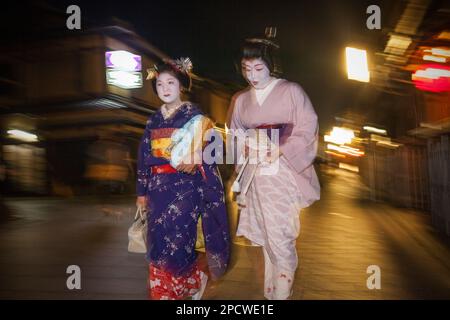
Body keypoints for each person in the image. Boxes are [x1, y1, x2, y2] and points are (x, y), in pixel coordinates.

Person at [228, 31, 320, 300]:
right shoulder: (240, 99)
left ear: (271, 65)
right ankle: (272, 292)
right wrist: (243, 148)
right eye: (246, 69)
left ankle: (281, 289)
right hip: (255, 172)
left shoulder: (292, 91)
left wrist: (281, 150)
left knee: (279, 233)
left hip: (281, 170)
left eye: (258, 68)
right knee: (266, 235)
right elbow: (235, 133)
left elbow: (307, 127)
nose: (252, 76)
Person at [136, 57, 230, 300]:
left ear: (182, 86)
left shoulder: (196, 117)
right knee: (157, 241)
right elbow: (144, 156)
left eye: (170, 83)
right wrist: (141, 192)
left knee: (179, 241)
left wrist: (197, 156)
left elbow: (215, 151)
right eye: (159, 85)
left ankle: (185, 286)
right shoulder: (152, 121)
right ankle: (163, 292)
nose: (165, 89)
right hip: (158, 190)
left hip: (185, 189)